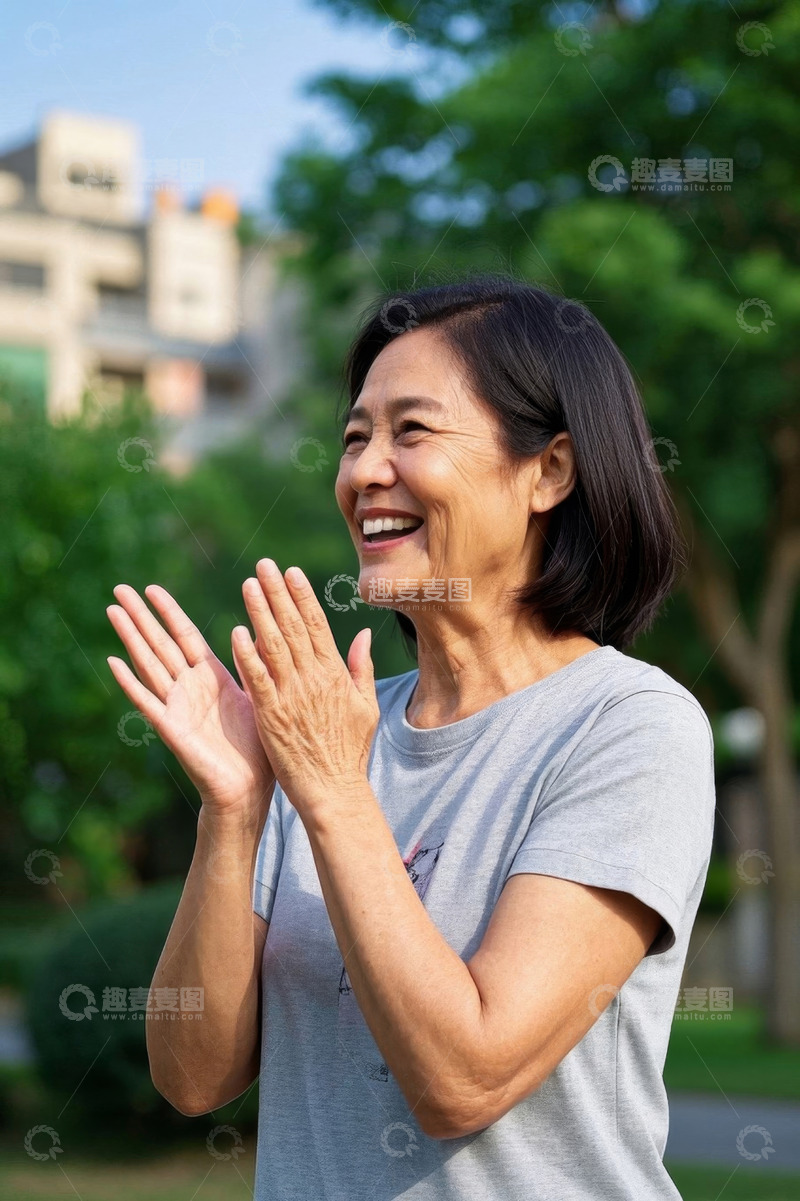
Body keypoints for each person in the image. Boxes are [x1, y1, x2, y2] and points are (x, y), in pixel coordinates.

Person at [106, 276, 716, 1200]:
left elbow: (463, 1080)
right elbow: (192, 1078)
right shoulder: (327, 731)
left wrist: (331, 791)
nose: (363, 472)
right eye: (355, 438)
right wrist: (236, 809)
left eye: (411, 431)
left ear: (549, 470)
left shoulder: (629, 726)